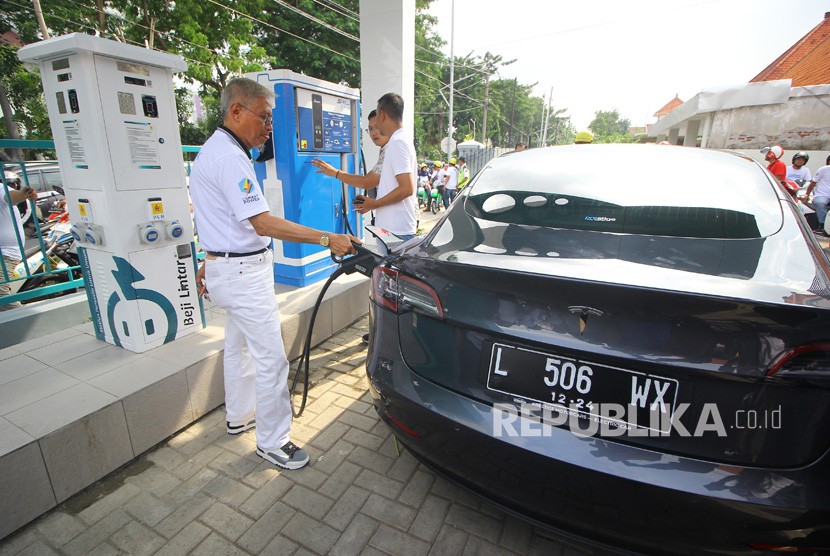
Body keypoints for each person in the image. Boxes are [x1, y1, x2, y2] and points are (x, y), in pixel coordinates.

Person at [191, 77, 359, 470]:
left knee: (237, 346)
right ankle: (272, 440)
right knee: (271, 359)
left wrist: (210, 259)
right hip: (242, 274)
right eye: (264, 117)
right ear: (236, 111)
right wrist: (326, 237)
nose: (270, 127)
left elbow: (219, 217)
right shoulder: (230, 158)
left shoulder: (213, 151)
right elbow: (262, 224)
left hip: (224, 266)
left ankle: (240, 415)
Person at [352, 92, 418, 240]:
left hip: (396, 232)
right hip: (393, 231)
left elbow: (407, 188)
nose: (374, 130)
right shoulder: (399, 140)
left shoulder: (397, 143)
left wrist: (375, 204)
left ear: (381, 114)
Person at [311, 109, 388, 195]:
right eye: (370, 129)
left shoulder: (391, 150)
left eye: (377, 127)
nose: (373, 133)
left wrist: (335, 172)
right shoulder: (385, 149)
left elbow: (366, 182)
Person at [1, 177, 38, 311]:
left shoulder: (1, 190)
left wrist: (23, 194)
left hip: (5, 253)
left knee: (1, 296)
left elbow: (10, 197)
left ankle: (24, 320)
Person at [805, 154, 830, 236]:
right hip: (822, 194)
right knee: (820, 203)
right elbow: (813, 183)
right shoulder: (823, 169)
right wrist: (807, 194)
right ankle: (822, 225)